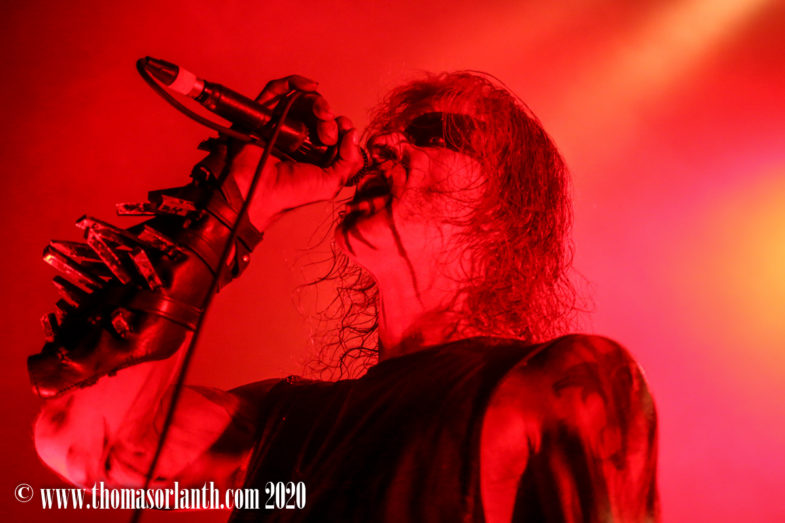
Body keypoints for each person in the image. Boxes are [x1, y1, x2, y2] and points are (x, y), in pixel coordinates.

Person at [29, 71, 659, 522]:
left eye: (435, 132)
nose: (383, 143)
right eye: (387, 131)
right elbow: (83, 444)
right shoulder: (281, 421)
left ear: (506, 207)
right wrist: (225, 216)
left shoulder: (562, 378)